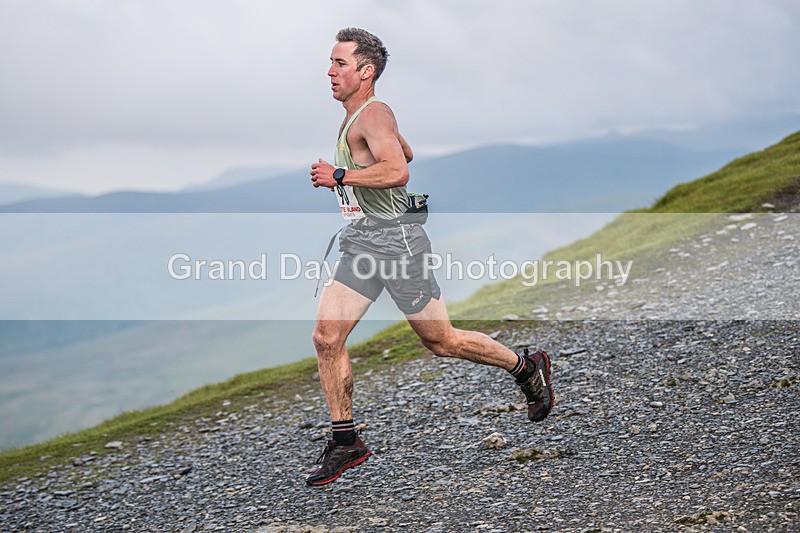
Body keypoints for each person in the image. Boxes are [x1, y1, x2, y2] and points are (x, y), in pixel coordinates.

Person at [306, 28, 553, 487]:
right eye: (331, 62)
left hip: (397, 244)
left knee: (441, 341)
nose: (329, 71)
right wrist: (367, 164)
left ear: (366, 71)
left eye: (339, 64)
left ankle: (526, 367)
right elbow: (406, 152)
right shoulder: (361, 116)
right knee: (326, 337)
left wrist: (340, 173)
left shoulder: (373, 114)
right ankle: (346, 441)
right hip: (364, 242)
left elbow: (398, 171)